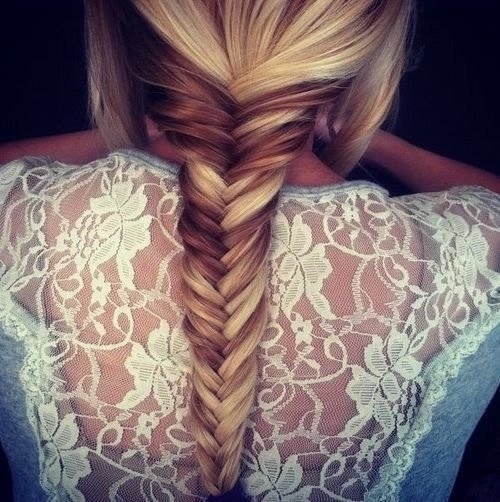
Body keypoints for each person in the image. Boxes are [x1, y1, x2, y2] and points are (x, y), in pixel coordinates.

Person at [0, 1, 498, 501]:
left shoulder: (16, 217)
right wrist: (361, 136)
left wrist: (134, 127)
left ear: (129, 27)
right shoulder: (470, 258)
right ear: (363, 44)